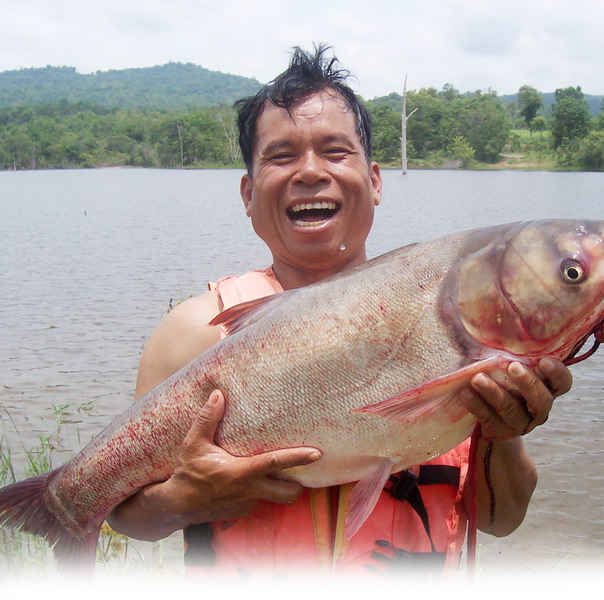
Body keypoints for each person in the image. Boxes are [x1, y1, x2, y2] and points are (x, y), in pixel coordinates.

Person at [106, 45, 572, 577]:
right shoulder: (193, 335)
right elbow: (126, 517)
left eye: (335, 151)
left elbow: (501, 519)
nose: (309, 172)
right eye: (280, 156)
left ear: (375, 181)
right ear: (247, 191)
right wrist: (182, 498)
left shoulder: (455, 317)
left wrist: (503, 432)